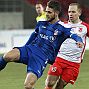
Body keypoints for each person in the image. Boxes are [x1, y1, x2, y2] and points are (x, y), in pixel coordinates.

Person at [0, 1, 83, 89]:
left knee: (28, 85)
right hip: (30, 49)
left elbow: (74, 35)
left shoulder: (63, 28)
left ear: (56, 13)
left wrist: (79, 41)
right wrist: (25, 46)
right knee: (7, 56)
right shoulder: (41, 23)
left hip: (41, 57)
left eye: (49, 12)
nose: (46, 14)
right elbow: (34, 34)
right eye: (46, 11)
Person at [45, 3, 89, 89]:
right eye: (69, 12)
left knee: (60, 86)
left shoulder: (85, 27)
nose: (70, 14)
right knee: (50, 83)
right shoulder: (62, 25)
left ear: (79, 12)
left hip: (74, 63)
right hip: (60, 58)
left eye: (73, 12)